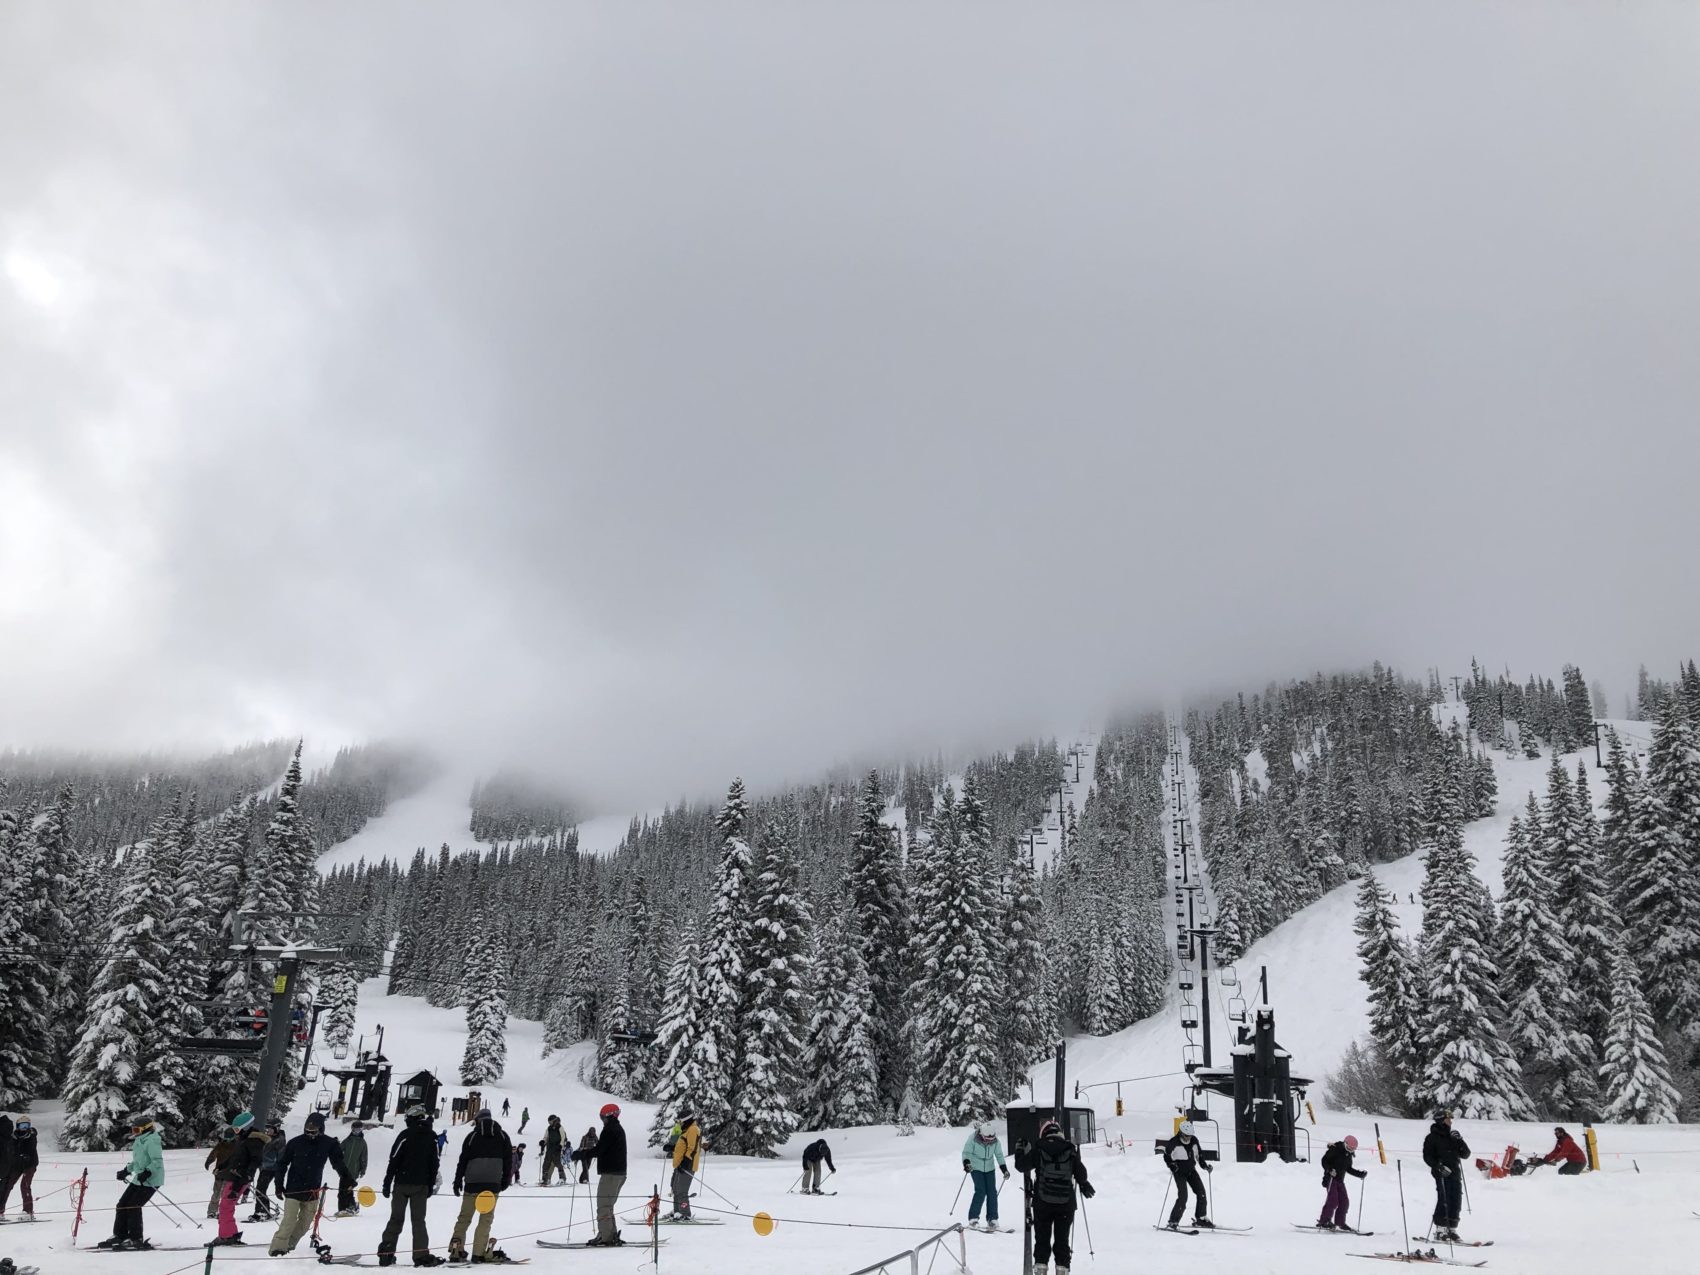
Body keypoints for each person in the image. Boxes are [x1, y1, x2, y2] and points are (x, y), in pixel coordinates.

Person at [269, 1111, 355, 1257]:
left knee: (305, 1224)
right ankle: (277, 1248)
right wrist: (278, 1185)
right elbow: (282, 1164)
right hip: (293, 1189)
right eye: (307, 1131)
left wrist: (348, 1180)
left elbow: (338, 1164)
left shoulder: (329, 1143)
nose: (310, 1134)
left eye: (313, 1131)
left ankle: (289, 1245)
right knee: (289, 1220)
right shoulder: (295, 1143)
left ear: (321, 1129)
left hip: (312, 1191)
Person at [1014, 1119, 1093, 1275]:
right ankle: (1062, 1269)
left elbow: (1021, 1166)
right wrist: (1083, 1184)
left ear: (1044, 1133)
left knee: (1042, 1239)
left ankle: (1041, 1269)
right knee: (1062, 1240)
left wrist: (1019, 1150)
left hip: (1043, 1203)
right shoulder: (1070, 1150)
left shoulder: (1039, 1148)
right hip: (1066, 1204)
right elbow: (1081, 1174)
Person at [380, 1105, 445, 1268]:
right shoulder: (432, 1137)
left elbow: (393, 1159)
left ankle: (386, 1253)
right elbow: (434, 1163)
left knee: (395, 1219)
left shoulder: (405, 1135)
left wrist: (387, 1182)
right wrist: (430, 1185)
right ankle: (421, 1255)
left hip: (401, 1184)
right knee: (419, 1222)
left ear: (413, 1118)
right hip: (421, 1185)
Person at [449, 1109, 513, 1264]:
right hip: (492, 1184)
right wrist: (505, 1179)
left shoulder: (472, 1137)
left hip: (472, 1182)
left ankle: (456, 1251)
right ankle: (478, 1253)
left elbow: (463, 1160)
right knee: (485, 1219)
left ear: (478, 1120)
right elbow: (508, 1160)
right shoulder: (503, 1136)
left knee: (464, 1217)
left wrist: (458, 1180)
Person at [96, 1112, 164, 1251]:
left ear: (146, 1129)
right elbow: (137, 1161)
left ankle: (135, 1238)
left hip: (151, 1179)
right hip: (139, 1179)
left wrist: (148, 1171)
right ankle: (119, 1235)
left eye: (137, 1130)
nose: (135, 1133)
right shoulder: (140, 1140)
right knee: (122, 1204)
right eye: (134, 1130)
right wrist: (126, 1170)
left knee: (133, 1206)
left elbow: (157, 1162)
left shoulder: (152, 1141)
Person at [212, 1112, 266, 1248]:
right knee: (225, 1206)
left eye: (237, 1129)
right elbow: (234, 1158)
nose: (235, 1132)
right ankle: (228, 1234)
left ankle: (227, 1236)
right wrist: (221, 1167)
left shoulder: (254, 1141)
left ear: (246, 1127)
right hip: (233, 1176)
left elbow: (255, 1161)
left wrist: (247, 1176)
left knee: (225, 1206)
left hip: (239, 1179)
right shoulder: (242, 1140)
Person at [1421, 1111, 1470, 1242]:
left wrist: (1460, 1140)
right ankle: (1440, 1230)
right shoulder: (1431, 1138)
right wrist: (1439, 1166)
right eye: (1448, 1120)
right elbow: (1427, 1157)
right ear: (1441, 1121)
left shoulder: (1452, 1136)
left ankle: (1452, 1229)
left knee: (1456, 1200)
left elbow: (1466, 1154)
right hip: (1441, 1173)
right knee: (1444, 1199)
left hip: (1454, 1172)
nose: (1451, 1122)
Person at [587, 1104, 627, 1247]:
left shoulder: (610, 1130)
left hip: (611, 1173)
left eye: (603, 1117)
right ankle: (609, 1234)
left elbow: (600, 1149)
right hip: (619, 1173)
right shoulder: (617, 1129)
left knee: (603, 1205)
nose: (602, 1120)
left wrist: (583, 1154)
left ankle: (606, 1237)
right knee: (608, 1205)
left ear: (609, 1116)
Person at [1160, 1120, 1212, 1229]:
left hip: (1191, 1170)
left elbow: (1199, 1155)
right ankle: (1173, 1221)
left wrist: (1205, 1166)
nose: (1188, 1138)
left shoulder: (1194, 1141)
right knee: (1183, 1196)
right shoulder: (1173, 1142)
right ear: (1181, 1133)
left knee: (1201, 1192)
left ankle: (1201, 1218)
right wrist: (1171, 1165)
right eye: (1186, 1135)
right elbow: (1166, 1156)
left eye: (1190, 1135)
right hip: (1179, 1171)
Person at [961, 1120, 1010, 1231]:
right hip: (976, 1167)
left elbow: (999, 1155)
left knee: (992, 1192)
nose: (989, 1142)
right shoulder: (973, 1138)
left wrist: (1004, 1169)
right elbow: (966, 1152)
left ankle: (992, 1219)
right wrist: (967, 1163)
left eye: (991, 1139)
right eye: (987, 1139)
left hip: (989, 1168)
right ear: (981, 1135)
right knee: (981, 1191)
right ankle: (973, 1219)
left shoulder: (995, 1141)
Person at [1317, 1135, 1368, 1230]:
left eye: (1353, 1149)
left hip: (1340, 1180)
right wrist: (1329, 1169)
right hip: (1330, 1178)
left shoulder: (1348, 1155)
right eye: (1349, 1148)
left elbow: (1348, 1168)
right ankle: (1324, 1221)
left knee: (1344, 1202)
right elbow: (1324, 1161)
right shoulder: (1335, 1149)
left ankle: (1340, 1223)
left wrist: (1359, 1174)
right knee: (1333, 1200)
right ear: (1345, 1144)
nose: (1350, 1150)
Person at [0, 1117, 40, 1221]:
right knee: (7, 1185)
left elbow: (31, 1147)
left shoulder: (31, 1135)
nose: (24, 1128)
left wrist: (26, 1156)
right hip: (17, 1165)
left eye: (26, 1125)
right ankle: (1, 1210)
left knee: (25, 1186)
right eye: (22, 1126)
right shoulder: (13, 1137)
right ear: (18, 1127)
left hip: (29, 1164)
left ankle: (28, 1211)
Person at [667, 1113, 702, 1220]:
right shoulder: (686, 1130)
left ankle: (685, 1214)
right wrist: (672, 1148)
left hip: (687, 1165)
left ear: (686, 1120)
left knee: (682, 1191)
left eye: (680, 1121)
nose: (679, 1123)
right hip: (680, 1164)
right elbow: (682, 1146)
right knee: (676, 1189)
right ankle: (677, 1212)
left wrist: (686, 1161)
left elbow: (692, 1147)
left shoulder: (693, 1129)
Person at [249, 1120, 287, 1221]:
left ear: (276, 1128)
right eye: (267, 1128)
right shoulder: (268, 1138)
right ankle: (262, 1210)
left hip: (272, 1168)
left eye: (270, 1128)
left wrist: (278, 1167)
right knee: (260, 1189)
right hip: (265, 1167)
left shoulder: (279, 1140)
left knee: (260, 1189)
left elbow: (281, 1156)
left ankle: (263, 1212)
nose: (267, 1130)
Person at [204, 1125, 239, 1219]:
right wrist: (208, 1161)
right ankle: (212, 1211)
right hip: (219, 1172)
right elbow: (214, 1153)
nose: (227, 1138)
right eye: (226, 1136)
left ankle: (223, 1211)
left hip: (230, 1173)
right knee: (216, 1193)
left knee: (225, 1194)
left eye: (229, 1136)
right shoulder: (221, 1145)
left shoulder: (237, 1145)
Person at [338, 1122, 370, 1215]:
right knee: (343, 1190)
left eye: (358, 1130)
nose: (356, 1132)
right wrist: (335, 1144)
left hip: (354, 1171)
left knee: (347, 1190)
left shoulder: (362, 1143)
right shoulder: (348, 1140)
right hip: (344, 1171)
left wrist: (363, 1170)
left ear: (361, 1130)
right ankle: (345, 1208)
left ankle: (349, 1207)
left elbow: (364, 1157)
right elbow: (339, 1150)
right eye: (354, 1130)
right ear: (352, 1129)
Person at [539, 1116, 567, 1186]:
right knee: (546, 1164)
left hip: (557, 1148)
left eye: (550, 1121)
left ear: (554, 1120)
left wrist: (561, 1145)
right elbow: (546, 1137)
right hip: (549, 1148)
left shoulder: (560, 1127)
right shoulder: (549, 1128)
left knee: (557, 1163)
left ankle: (562, 1178)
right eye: (549, 1122)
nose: (549, 1123)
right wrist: (543, 1142)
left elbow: (563, 1137)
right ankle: (545, 1179)